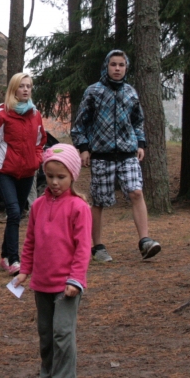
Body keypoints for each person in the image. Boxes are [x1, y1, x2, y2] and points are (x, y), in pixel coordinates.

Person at [12, 145, 92, 378]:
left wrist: (76, 280)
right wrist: (25, 271)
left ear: (72, 176)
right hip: (41, 283)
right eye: (50, 176)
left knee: (62, 332)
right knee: (45, 332)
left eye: (61, 177)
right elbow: (30, 241)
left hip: (66, 286)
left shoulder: (79, 208)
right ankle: (48, 375)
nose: (55, 182)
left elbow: (83, 248)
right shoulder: (37, 206)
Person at [71, 50, 161, 262]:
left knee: (136, 192)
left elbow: (138, 121)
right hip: (102, 155)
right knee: (99, 201)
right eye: (113, 64)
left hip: (128, 153)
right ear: (107, 66)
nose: (117, 68)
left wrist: (140, 143)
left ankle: (145, 241)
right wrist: (83, 148)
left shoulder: (130, 92)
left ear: (126, 67)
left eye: (121, 65)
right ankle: (98, 246)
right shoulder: (94, 92)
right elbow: (80, 125)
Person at [0, 72, 47, 275]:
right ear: (13, 90)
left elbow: (40, 141)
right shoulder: (1, 115)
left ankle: (4, 256)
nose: (26, 89)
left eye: (29, 86)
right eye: (22, 86)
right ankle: (14, 260)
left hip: (27, 172)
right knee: (13, 212)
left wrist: (36, 160)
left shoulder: (35, 114)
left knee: (17, 214)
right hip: (6, 172)